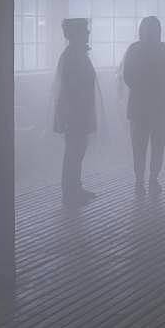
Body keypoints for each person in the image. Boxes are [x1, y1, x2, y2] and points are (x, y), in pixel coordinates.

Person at [121, 16, 165, 195]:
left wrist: (143, 85)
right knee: (155, 146)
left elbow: (128, 76)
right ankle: (151, 180)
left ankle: (143, 181)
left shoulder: (134, 49)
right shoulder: (164, 50)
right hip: (158, 106)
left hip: (140, 106)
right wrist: (158, 87)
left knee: (141, 147)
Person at [53, 18, 98, 206]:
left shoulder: (76, 54)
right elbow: (71, 87)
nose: (88, 33)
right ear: (77, 34)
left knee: (78, 150)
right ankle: (70, 191)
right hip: (75, 111)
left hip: (80, 109)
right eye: (85, 31)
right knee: (74, 151)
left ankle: (75, 187)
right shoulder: (72, 56)